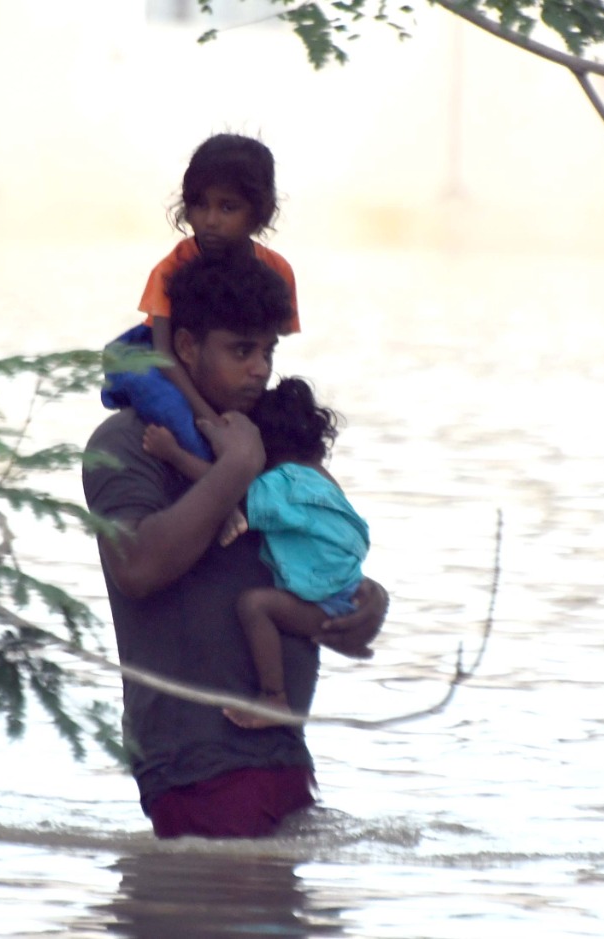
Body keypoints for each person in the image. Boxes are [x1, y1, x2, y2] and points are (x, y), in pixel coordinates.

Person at [83, 253, 385, 840]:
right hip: (198, 764)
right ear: (188, 347)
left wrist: (368, 601)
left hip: (282, 757)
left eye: (268, 353)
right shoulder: (129, 444)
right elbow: (139, 568)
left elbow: (317, 551)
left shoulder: (269, 440)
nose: (258, 370)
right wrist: (236, 467)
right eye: (241, 351)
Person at [143, 376, 371, 730]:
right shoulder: (322, 480)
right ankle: (352, 645)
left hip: (328, 602)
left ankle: (274, 697)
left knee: (254, 606)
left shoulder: (285, 483)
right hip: (348, 589)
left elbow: (225, 486)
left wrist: (172, 453)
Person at [102, 131, 299, 470]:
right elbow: (163, 354)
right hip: (158, 358)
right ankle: (213, 485)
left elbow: (263, 347)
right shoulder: (170, 269)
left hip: (224, 365)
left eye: (227, 207)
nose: (209, 220)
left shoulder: (275, 270)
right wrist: (207, 416)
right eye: (199, 205)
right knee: (171, 410)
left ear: (260, 212)